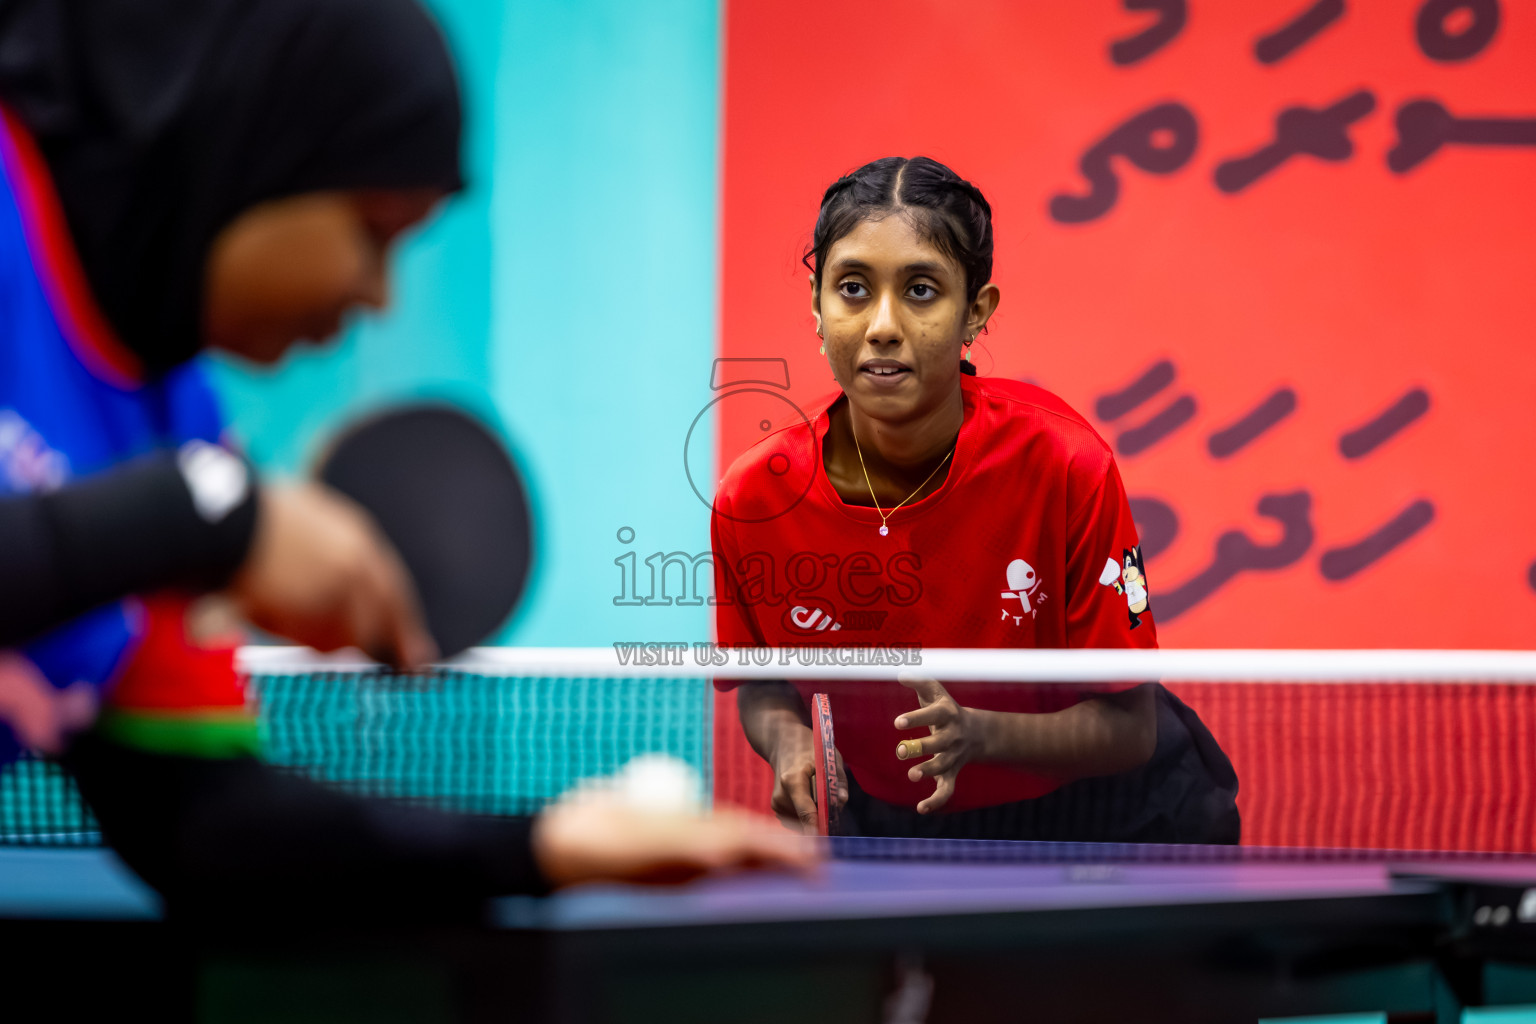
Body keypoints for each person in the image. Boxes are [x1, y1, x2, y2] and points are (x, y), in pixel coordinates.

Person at [0, 0, 809, 916]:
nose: (377, 296)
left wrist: (538, 848)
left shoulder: (165, 422)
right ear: (259, 142)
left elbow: (203, 824)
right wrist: (213, 517)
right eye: (373, 232)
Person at [713, 156, 1239, 843]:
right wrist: (789, 746)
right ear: (817, 306)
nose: (881, 325)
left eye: (922, 290)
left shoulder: (1065, 465)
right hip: (900, 819)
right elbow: (763, 681)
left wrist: (977, 735)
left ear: (975, 313)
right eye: (851, 288)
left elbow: (1130, 729)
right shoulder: (755, 496)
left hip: (1110, 817)